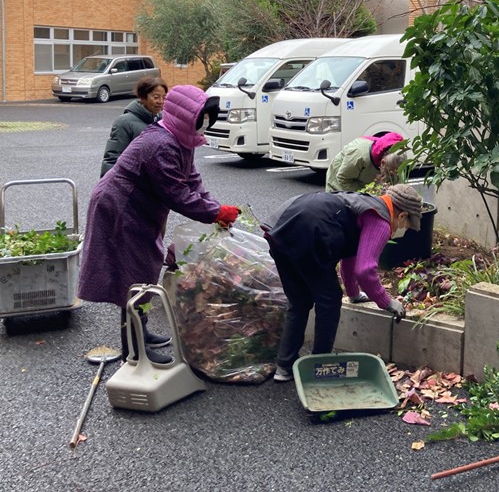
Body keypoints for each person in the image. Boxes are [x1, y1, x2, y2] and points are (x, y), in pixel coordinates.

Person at [78, 85, 241, 364]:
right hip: (119, 208)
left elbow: (191, 180)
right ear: (185, 115)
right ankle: (134, 348)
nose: (205, 124)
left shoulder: (180, 139)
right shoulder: (160, 144)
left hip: (137, 208)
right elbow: (177, 193)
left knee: (143, 272)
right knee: (131, 277)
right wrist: (214, 213)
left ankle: (140, 332)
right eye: (201, 118)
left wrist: (215, 207)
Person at [261, 183, 424, 382]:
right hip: (308, 230)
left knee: (300, 301)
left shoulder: (362, 205)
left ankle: (284, 367)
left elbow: (350, 258)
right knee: (329, 300)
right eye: (406, 225)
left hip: (281, 227)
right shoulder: (381, 220)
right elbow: (365, 270)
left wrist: (354, 294)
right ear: (402, 215)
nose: (403, 229)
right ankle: (318, 366)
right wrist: (387, 302)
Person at [100, 75, 168, 177]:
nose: (161, 102)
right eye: (156, 97)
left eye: (164, 97)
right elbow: (112, 159)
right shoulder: (124, 122)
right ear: (143, 97)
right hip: (131, 184)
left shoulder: (163, 121)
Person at [325, 133, 406, 193]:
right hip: (339, 184)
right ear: (383, 162)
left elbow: (397, 187)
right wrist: (368, 195)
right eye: (390, 172)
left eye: (394, 173)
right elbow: (343, 180)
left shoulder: (397, 162)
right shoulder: (358, 154)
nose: (392, 175)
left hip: (365, 188)